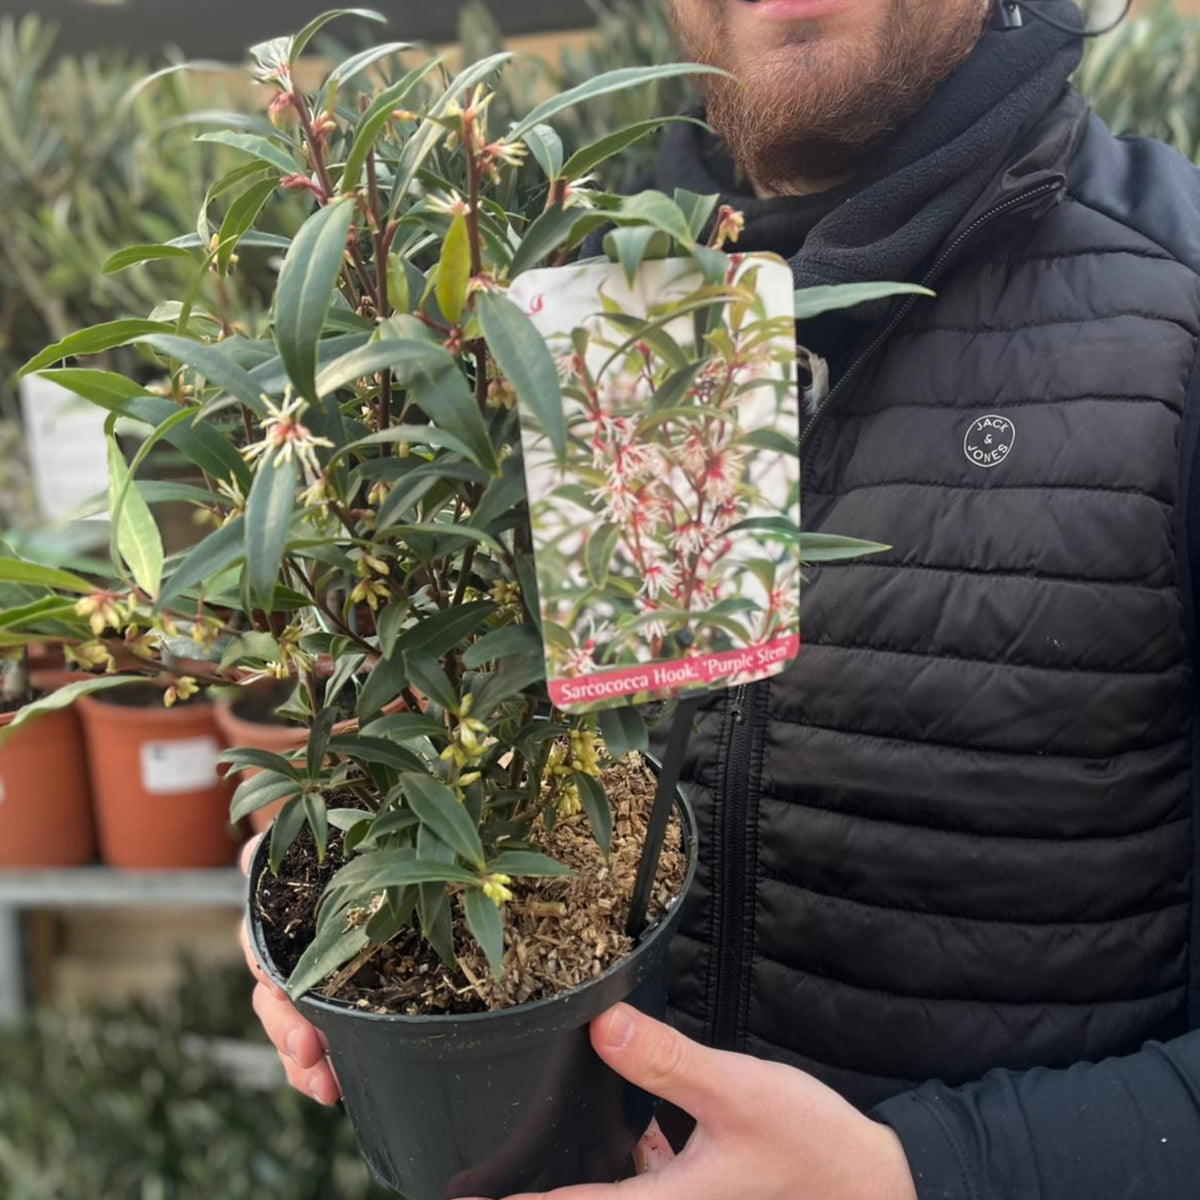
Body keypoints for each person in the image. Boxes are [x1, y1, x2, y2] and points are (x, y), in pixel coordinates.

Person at [241, 0, 1200, 1195]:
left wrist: (926, 1175)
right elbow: (462, 717)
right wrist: (349, 887)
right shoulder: (536, 310)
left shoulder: (1176, 311)